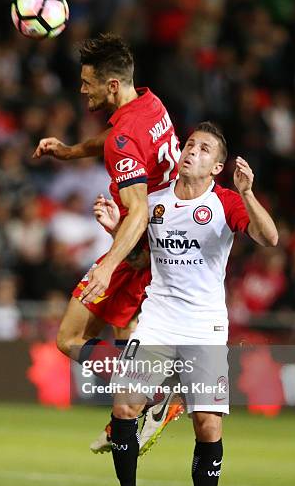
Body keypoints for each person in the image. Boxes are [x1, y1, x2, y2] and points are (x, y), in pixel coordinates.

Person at [94, 122, 278, 486]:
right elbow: (141, 260)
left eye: (204, 149)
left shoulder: (226, 202)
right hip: (158, 319)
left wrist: (249, 193)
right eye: (190, 144)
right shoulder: (153, 201)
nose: (192, 151)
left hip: (204, 326)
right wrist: (115, 228)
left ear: (217, 166)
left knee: (208, 428)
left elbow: (270, 238)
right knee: (123, 407)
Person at [33, 33, 184, 452]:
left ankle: (154, 388)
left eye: (87, 83)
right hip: (165, 243)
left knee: (69, 339)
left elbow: (135, 208)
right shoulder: (151, 105)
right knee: (126, 330)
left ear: (111, 85)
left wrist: (107, 263)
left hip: (138, 247)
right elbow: (114, 140)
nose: (82, 90)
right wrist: (69, 152)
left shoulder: (124, 139)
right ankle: (134, 406)